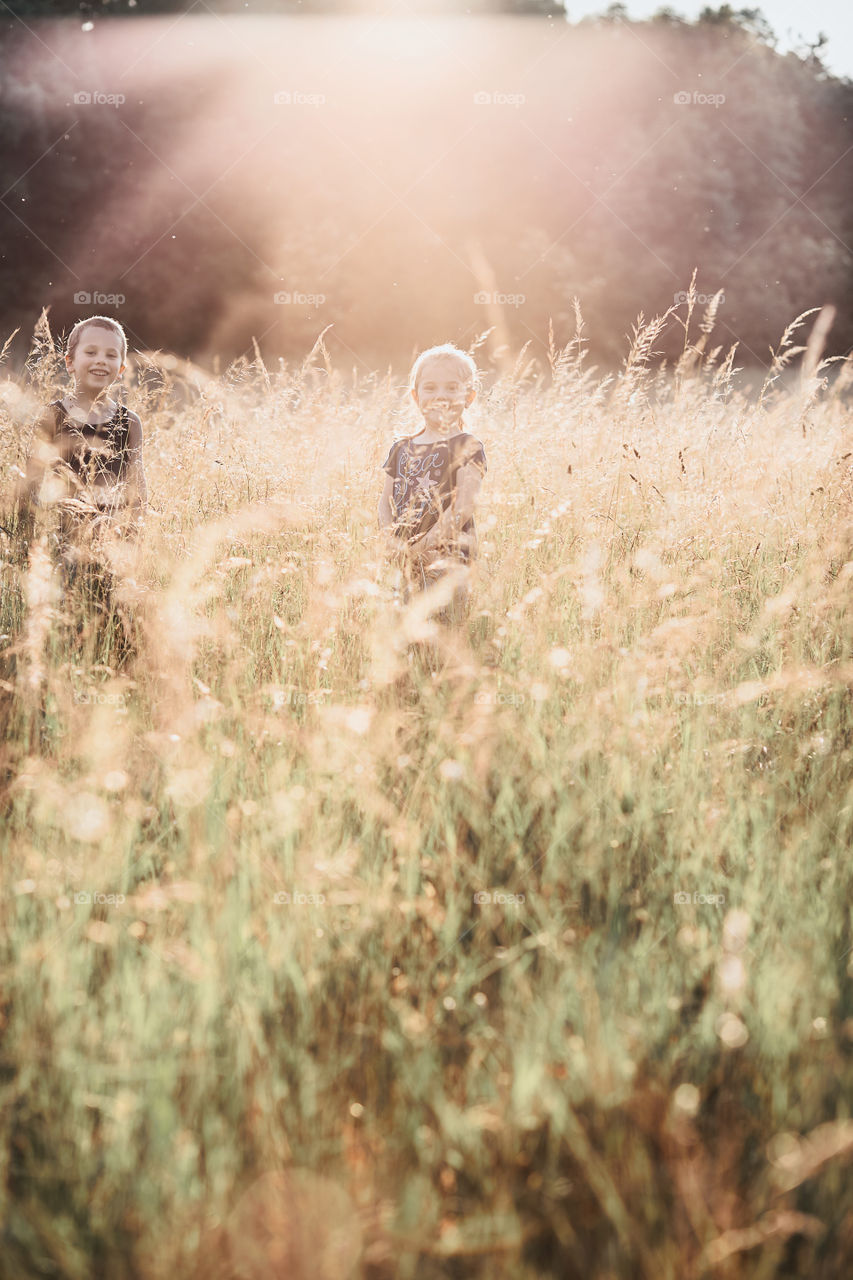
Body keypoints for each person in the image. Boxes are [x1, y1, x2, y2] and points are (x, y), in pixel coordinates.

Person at [15, 315, 147, 656]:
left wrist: (137, 535)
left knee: (115, 629)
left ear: (121, 367)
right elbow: (32, 483)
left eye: (111, 354)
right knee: (65, 630)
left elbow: (137, 484)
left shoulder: (129, 422)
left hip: (114, 542)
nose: (101, 360)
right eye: (91, 352)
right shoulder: (52, 416)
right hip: (63, 543)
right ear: (70, 362)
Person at [378, 343, 486, 609]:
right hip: (402, 558)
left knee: (444, 625)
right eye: (430, 388)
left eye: (452, 388)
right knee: (404, 623)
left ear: (469, 397)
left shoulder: (466, 446)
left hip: (446, 560)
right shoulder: (401, 447)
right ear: (415, 396)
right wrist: (391, 541)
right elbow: (385, 501)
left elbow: (464, 505)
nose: (440, 395)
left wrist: (425, 546)